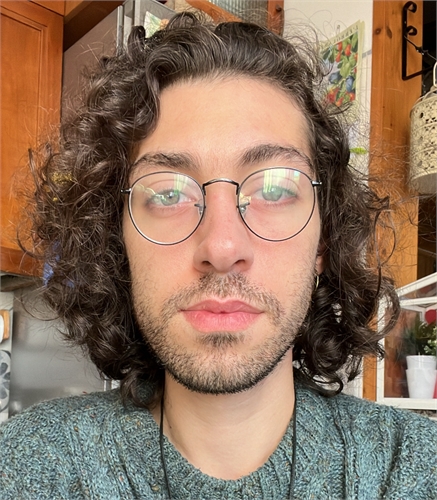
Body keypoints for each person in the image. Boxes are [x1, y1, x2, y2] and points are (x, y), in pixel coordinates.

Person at [1, 12, 436, 500]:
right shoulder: (27, 464)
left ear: (324, 242)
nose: (223, 248)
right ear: (116, 241)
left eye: (275, 188)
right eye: (168, 193)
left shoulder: (414, 469)